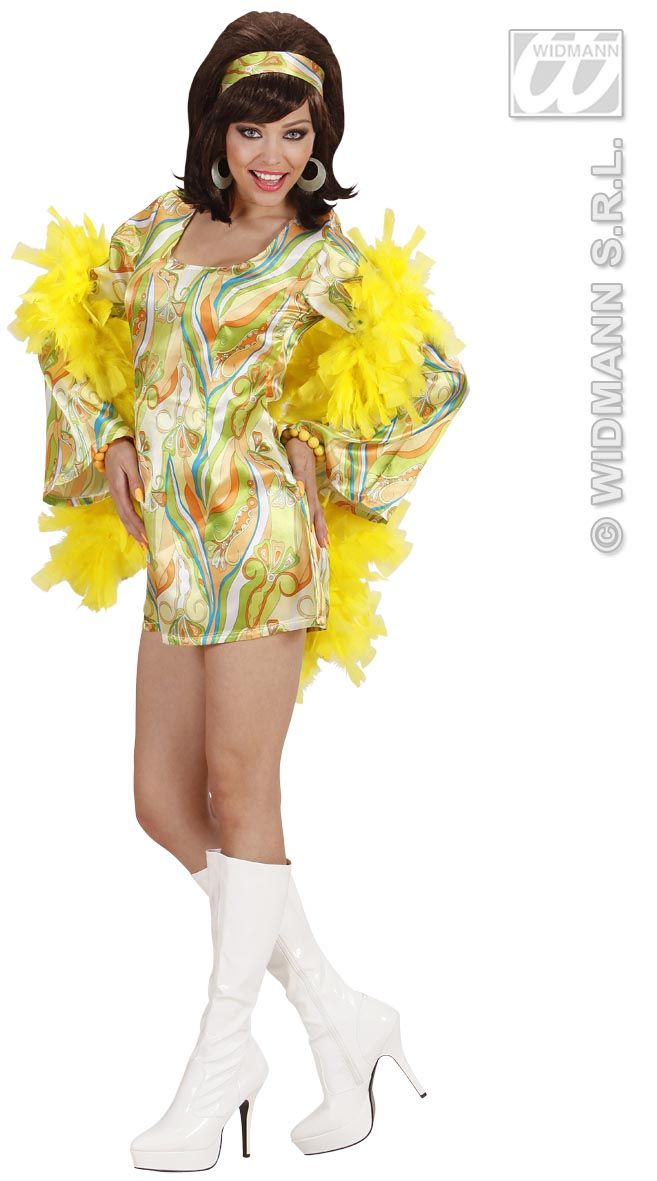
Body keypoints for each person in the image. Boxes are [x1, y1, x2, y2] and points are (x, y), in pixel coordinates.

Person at [9, 10, 469, 1169]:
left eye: (295, 133)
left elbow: (438, 380)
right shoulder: (161, 228)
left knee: (237, 785)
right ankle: (338, 1014)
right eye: (251, 129)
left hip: (263, 540)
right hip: (176, 547)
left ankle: (219, 1064)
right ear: (214, 128)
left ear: (322, 139)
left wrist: (327, 449)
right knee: (163, 800)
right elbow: (65, 320)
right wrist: (109, 432)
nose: (272, 155)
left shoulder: (322, 257)